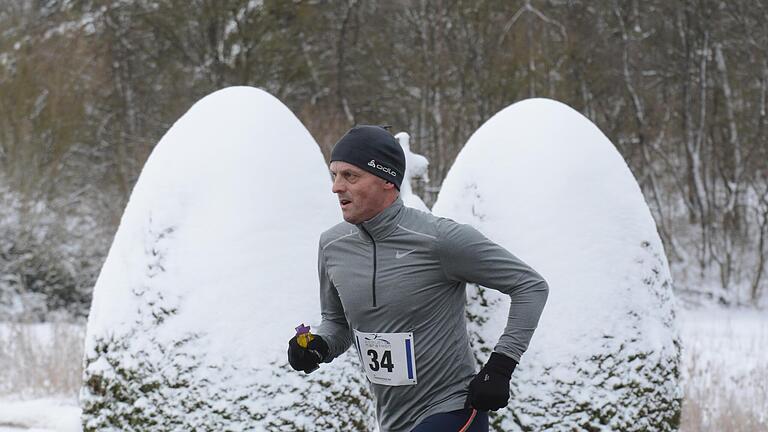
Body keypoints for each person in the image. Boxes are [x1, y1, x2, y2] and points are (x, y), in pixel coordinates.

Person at [287, 125, 549, 432]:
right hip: (393, 419)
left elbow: (530, 285)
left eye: (350, 176)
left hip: (452, 409)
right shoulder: (332, 245)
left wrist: (501, 366)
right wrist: (318, 345)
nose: (336, 187)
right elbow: (338, 324)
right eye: (335, 175)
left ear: (387, 180)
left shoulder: (440, 239)